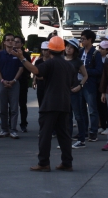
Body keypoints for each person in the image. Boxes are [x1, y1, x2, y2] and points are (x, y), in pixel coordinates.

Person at [12, 36, 75, 172]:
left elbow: (36, 71)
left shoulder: (50, 63)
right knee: (64, 135)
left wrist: (22, 58)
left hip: (50, 104)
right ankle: (67, 162)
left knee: (45, 134)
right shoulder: (68, 65)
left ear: (50, 50)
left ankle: (44, 163)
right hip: (64, 103)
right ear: (63, 50)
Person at [0, 34, 24, 139]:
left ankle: (13, 130)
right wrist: (2, 80)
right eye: (8, 40)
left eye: (12, 40)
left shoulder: (18, 54)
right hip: (2, 83)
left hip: (14, 84)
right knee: (2, 108)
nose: (11, 41)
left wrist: (14, 80)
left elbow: (21, 68)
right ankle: (4, 130)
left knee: (14, 109)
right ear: (4, 42)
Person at [78, 29, 103, 142]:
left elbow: (98, 70)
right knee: (81, 109)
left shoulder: (96, 54)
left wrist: (85, 71)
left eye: (83, 39)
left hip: (90, 84)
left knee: (92, 109)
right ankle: (83, 131)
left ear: (90, 40)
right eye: (81, 39)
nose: (81, 41)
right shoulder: (80, 52)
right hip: (79, 83)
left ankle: (93, 132)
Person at [65, 38, 89, 149]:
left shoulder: (77, 61)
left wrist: (80, 86)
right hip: (63, 92)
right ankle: (67, 140)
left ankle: (81, 140)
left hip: (75, 91)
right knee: (67, 117)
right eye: (67, 46)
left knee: (78, 116)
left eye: (71, 47)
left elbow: (85, 75)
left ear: (75, 50)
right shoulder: (61, 59)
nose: (68, 49)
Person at [14, 36, 32, 133]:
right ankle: (11, 124)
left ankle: (23, 124)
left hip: (22, 82)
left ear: (22, 44)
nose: (15, 43)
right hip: (12, 82)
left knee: (22, 104)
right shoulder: (10, 53)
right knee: (12, 104)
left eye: (17, 42)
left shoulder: (25, 55)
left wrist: (26, 78)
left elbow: (29, 68)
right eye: (14, 41)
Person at [96, 41, 108, 136]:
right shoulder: (97, 57)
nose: (100, 50)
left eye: (102, 48)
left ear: (107, 50)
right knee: (99, 106)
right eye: (99, 48)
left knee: (107, 107)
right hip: (98, 84)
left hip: (107, 84)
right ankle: (102, 125)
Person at [34, 42, 51, 107]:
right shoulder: (38, 62)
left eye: (47, 50)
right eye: (44, 50)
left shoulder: (53, 61)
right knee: (41, 104)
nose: (45, 52)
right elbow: (35, 72)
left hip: (50, 86)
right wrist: (34, 81)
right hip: (40, 86)